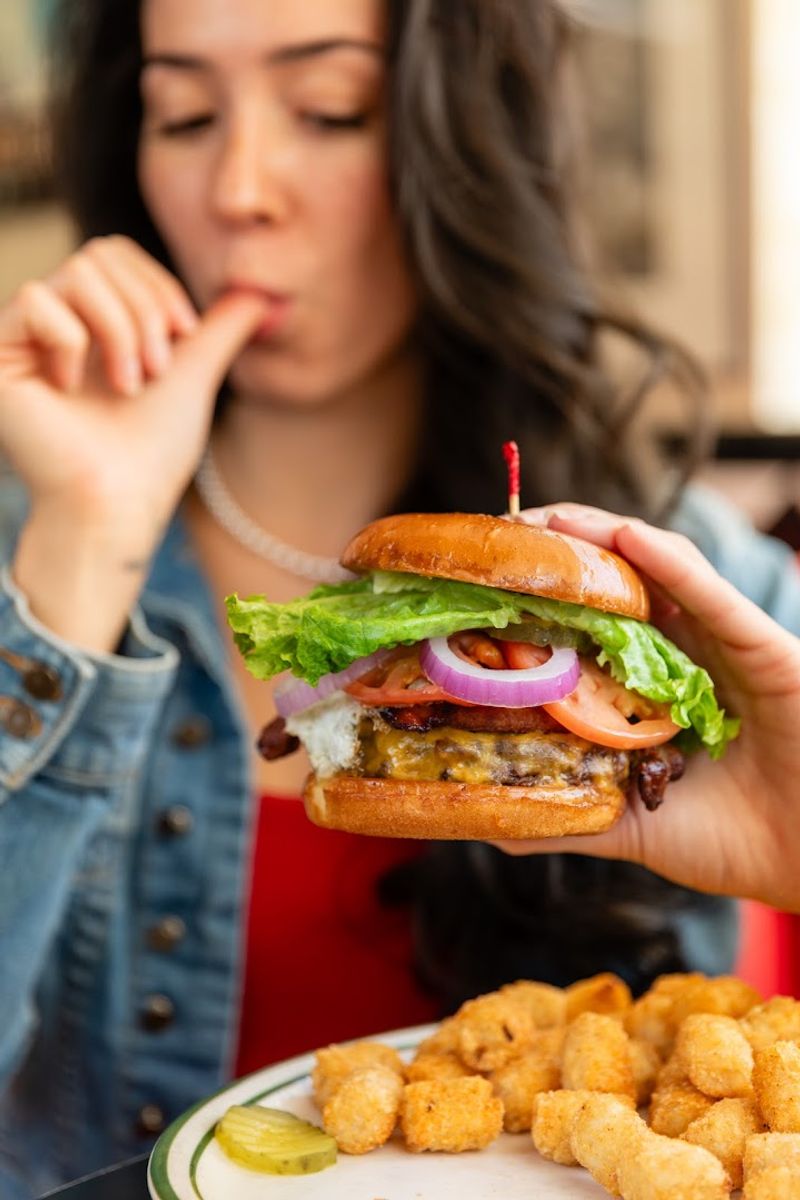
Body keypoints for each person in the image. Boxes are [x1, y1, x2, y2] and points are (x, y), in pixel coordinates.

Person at [0, 0, 798, 1194]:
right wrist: (83, 541)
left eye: (330, 111)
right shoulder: (33, 554)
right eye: (185, 116)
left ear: (462, 147)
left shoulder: (715, 599)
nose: (239, 190)